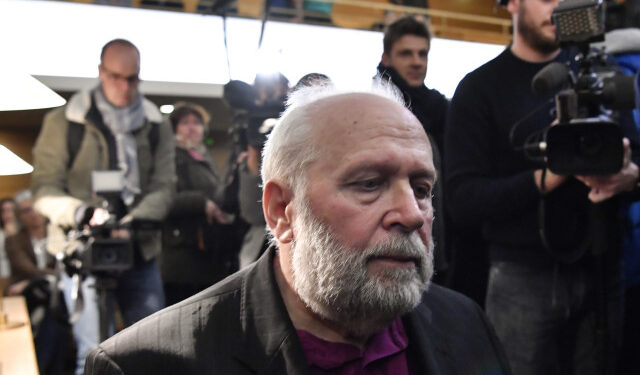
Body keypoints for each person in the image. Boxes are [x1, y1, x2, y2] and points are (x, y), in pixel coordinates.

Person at [84, 83, 511, 375]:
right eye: (369, 184)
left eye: (421, 188)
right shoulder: (149, 364)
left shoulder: (467, 323)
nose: (413, 214)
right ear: (281, 210)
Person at [445, 1, 640, 374]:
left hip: (603, 266)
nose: (558, 5)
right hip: (521, 276)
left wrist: (631, 176)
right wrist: (544, 178)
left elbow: (635, 159)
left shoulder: (600, 77)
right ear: (512, 3)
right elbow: (462, 200)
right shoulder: (479, 88)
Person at [31, 38, 175, 374]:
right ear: (100, 72)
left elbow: (165, 186)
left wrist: (133, 222)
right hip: (85, 254)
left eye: (133, 78)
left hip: (140, 250)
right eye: (115, 77)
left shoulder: (156, 124)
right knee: (94, 354)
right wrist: (81, 213)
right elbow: (44, 189)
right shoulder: (64, 121)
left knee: (154, 350)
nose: (125, 87)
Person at [377, 16, 454, 285]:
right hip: (388, 245)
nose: (416, 61)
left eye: (422, 53)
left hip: (437, 239)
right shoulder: (373, 108)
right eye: (406, 53)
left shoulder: (439, 109)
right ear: (386, 58)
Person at [161, 102, 234, 306]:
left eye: (197, 123)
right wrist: (201, 202)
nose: (192, 127)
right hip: (182, 256)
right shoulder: (170, 156)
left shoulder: (203, 156)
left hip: (206, 253)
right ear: (174, 128)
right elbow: (165, 198)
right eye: (185, 123)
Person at [6, 190, 71, 375]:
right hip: (29, 299)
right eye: (27, 210)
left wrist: (34, 280)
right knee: (54, 311)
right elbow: (27, 269)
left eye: (36, 208)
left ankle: (42, 368)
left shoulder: (59, 236)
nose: (33, 214)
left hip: (54, 298)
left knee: (52, 315)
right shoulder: (14, 240)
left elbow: (64, 267)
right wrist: (50, 276)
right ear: (20, 216)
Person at [0, 197, 19, 280]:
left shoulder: (26, 232)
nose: (7, 214)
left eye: (10, 210)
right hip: (4, 276)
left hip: (24, 275)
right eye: (3, 211)